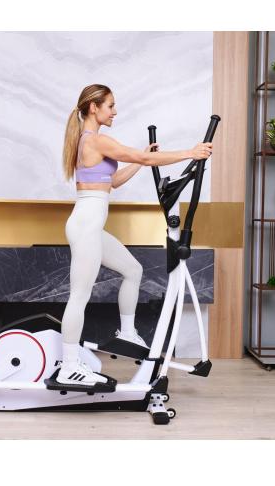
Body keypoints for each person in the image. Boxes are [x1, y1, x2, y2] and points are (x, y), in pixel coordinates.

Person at [57, 84, 212, 386]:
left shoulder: (89, 141)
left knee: (132, 270)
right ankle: (69, 365)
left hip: (89, 225)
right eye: (110, 105)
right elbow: (142, 159)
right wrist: (190, 153)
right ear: (93, 108)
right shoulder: (96, 140)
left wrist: (141, 160)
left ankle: (127, 333)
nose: (114, 111)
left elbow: (113, 180)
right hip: (85, 225)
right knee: (79, 295)